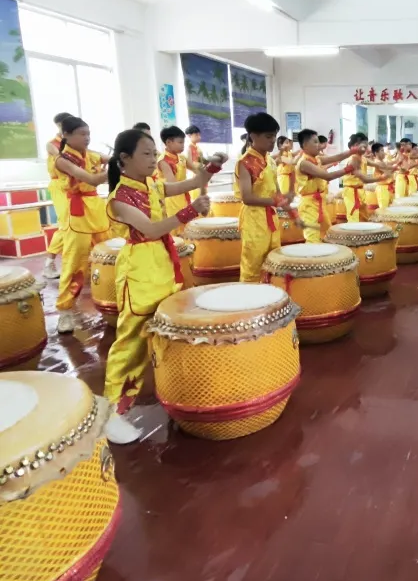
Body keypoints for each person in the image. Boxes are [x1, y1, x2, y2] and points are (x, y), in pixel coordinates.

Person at [103, 129, 222, 444]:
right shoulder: (119, 199)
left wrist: (210, 169)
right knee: (130, 343)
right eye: (145, 153)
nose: (152, 159)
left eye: (153, 152)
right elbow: (152, 229)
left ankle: (175, 390)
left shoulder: (152, 183)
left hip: (163, 266)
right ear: (124, 159)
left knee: (168, 329)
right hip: (140, 269)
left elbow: (189, 184)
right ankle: (112, 413)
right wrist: (190, 211)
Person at [53, 116, 111, 334]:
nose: (87, 138)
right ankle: (65, 311)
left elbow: (109, 159)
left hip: (96, 209)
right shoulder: (62, 160)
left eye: (88, 133)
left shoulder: (93, 155)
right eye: (81, 134)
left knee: (112, 257)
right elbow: (92, 180)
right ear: (66, 135)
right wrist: (116, 168)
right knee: (74, 263)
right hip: (77, 214)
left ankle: (114, 299)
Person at [236, 113, 294, 283]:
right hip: (254, 219)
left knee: (273, 259)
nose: (272, 140)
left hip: (271, 217)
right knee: (253, 264)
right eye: (269, 136)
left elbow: (275, 192)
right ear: (253, 136)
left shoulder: (270, 161)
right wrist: (275, 201)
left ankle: (270, 299)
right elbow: (247, 197)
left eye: (274, 136)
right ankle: (249, 304)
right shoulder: (245, 162)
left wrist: (286, 200)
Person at [295, 129, 357, 243]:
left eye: (318, 142)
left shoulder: (317, 159)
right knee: (312, 236)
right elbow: (327, 176)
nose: (319, 145)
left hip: (319, 202)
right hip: (308, 204)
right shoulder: (304, 163)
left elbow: (336, 157)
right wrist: (349, 168)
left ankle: (323, 259)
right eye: (315, 142)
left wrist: (352, 151)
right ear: (305, 145)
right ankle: (312, 259)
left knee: (326, 232)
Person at [43, 112, 73, 280]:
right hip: (60, 187)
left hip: (75, 186)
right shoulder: (52, 144)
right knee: (66, 224)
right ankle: (49, 262)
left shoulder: (74, 145)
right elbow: (61, 157)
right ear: (59, 126)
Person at [157, 126, 191, 230]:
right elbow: (172, 184)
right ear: (168, 142)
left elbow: (196, 168)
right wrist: (193, 183)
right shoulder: (163, 160)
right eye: (180, 142)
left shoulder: (181, 157)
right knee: (177, 228)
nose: (183, 146)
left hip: (183, 194)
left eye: (183, 143)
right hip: (172, 198)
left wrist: (210, 168)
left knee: (187, 226)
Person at [342, 133, 378, 221]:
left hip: (360, 190)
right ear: (356, 145)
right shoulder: (353, 159)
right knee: (353, 218)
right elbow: (365, 179)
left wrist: (388, 167)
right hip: (351, 192)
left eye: (367, 146)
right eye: (365, 146)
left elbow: (376, 164)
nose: (367, 149)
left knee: (364, 217)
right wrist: (382, 177)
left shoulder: (362, 158)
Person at [372, 142, 396, 210]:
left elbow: (389, 169)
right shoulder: (377, 162)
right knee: (384, 210)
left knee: (391, 209)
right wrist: (395, 168)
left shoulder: (382, 162)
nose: (384, 152)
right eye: (382, 150)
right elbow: (388, 173)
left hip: (388, 187)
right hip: (383, 189)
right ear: (376, 153)